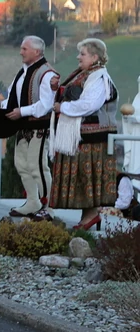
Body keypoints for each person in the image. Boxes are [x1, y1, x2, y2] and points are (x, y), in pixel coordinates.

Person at [49, 38, 118, 231]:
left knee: (87, 177)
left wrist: (63, 107)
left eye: (83, 54)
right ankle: (87, 216)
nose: (78, 57)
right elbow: (73, 96)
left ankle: (91, 216)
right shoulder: (85, 74)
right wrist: (56, 90)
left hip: (93, 139)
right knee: (82, 177)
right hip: (81, 138)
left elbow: (89, 105)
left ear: (95, 57)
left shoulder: (99, 77)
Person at [2, 35, 58, 219]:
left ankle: (48, 207)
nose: (21, 52)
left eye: (24, 49)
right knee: (22, 165)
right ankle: (33, 202)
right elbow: (11, 94)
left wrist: (22, 111)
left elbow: (46, 104)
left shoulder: (47, 74)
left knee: (38, 167)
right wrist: (2, 111)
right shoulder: (23, 72)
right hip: (22, 126)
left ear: (36, 51)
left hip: (39, 127)